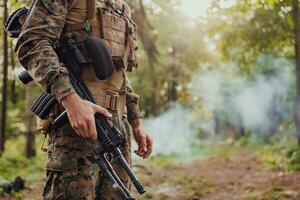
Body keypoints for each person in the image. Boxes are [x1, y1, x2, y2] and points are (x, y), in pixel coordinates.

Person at [15, 0, 153, 199]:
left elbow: (120, 73)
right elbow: (32, 42)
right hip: (75, 129)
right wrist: (71, 100)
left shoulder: (121, 7)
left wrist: (136, 121)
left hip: (116, 130)